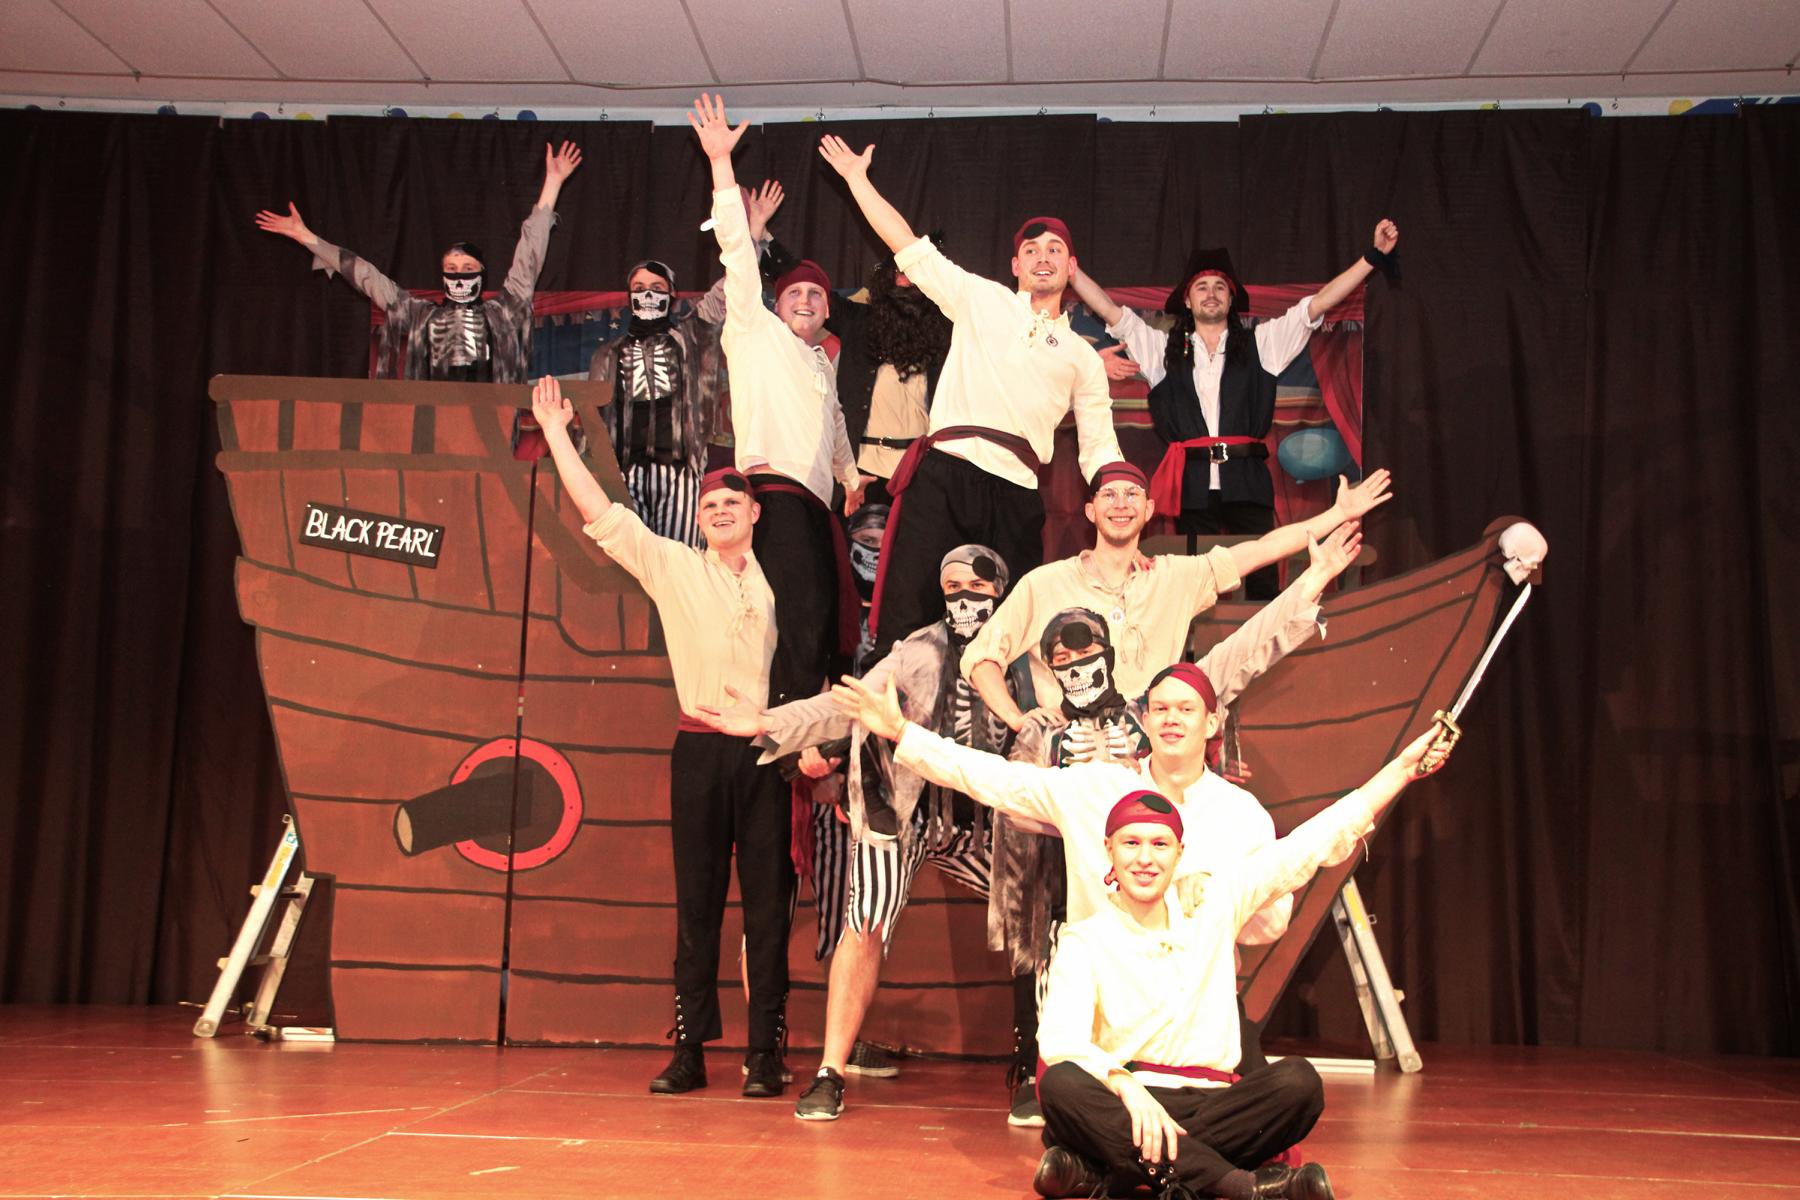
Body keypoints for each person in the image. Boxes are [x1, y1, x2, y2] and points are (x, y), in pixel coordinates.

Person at [1030, 738, 1447, 1200]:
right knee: (1063, 1084)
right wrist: (1124, 1086)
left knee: (1299, 1083)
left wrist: (1400, 771)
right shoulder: (1086, 939)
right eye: (1131, 843)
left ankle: (1112, 1174)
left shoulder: (1217, 901)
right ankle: (1245, 1187)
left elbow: (1308, 846)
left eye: (1159, 844)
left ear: (1179, 853)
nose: (1145, 859)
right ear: (1109, 850)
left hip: (1213, 1107)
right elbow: (1061, 1041)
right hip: (1133, 1103)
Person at [528, 375, 793, 1099]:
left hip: (766, 751)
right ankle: (689, 1050)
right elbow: (602, 514)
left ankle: (766, 1053)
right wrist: (555, 435)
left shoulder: (781, 581)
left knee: (768, 908)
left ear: (755, 512)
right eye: (709, 506)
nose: (719, 512)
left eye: (731, 503)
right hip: (699, 749)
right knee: (696, 905)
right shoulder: (674, 567)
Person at [695, 546, 1019, 1122]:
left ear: (1001, 591)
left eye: (977, 585)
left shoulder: (1024, 656)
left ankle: (1041, 1065)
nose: (964, 597)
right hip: (901, 807)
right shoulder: (917, 650)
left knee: (1040, 909)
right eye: (951, 586)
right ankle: (830, 1071)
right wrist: (770, 721)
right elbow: (847, 704)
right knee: (865, 921)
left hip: (980, 819)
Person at [818, 135, 1123, 656]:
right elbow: (906, 245)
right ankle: (890, 707)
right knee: (907, 615)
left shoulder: (1083, 357)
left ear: (1071, 268)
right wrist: (856, 180)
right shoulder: (982, 299)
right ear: (1015, 265)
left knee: (1007, 634)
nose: (1043, 258)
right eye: (1031, 250)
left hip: (1017, 489)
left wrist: (1122, 512)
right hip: (945, 474)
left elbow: (1100, 449)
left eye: (1055, 250)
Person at [1068, 222, 1398, 597]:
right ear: (1187, 300)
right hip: (1191, 485)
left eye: (1220, 287)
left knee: (1261, 579)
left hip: (1247, 481)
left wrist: (1372, 257)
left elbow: (1319, 303)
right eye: (1201, 287)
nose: (1211, 294)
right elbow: (1109, 311)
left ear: (1231, 299)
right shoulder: (1163, 350)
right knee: (1196, 583)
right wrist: (1069, 269)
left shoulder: (1264, 344)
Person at [963, 459, 1387, 733]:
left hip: (1156, 743)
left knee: (1222, 663)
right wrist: (1018, 719)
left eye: (1132, 494)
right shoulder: (1044, 583)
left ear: (1149, 510)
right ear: (1090, 511)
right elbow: (981, 658)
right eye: (1108, 495)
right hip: (1075, 754)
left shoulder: (1173, 576)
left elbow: (1261, 549)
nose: (1121, 504)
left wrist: (1338, 514)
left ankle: (1316, 578)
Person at [697, 96, 866, 706]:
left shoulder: (821, 360)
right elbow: (738, 256)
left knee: (818, 623)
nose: (805, 301)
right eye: (794, 293)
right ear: (777, 302)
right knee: (792, 621)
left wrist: (850, 476)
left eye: (816, 296)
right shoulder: (755, 331)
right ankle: (781, 729)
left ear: (826, 310)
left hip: (817, 506)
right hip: (773, 496)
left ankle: (805, 733)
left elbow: (835, 422)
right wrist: (721, 164)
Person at [254, 141, 582, 383]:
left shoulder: (504, 311)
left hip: (490, 425)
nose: (459, 276)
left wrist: (552, 183)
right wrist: (307, 237)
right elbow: (366, 276)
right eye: (452, 269)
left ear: (482, 274)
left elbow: (529, 254)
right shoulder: (419, 314)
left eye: (468, 269)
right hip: (432, 425)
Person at [589, 181, 787, 545]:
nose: (649, 294)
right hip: (623, 471)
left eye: (657, 287)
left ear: (672, 293)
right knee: (626, 559)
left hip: (680, 471)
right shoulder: (607, 355)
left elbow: (733, 285)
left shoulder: (691, 335)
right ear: (628, 295)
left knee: (681, 557)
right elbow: (593, 422)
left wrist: (755, 230)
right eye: (640, 288)